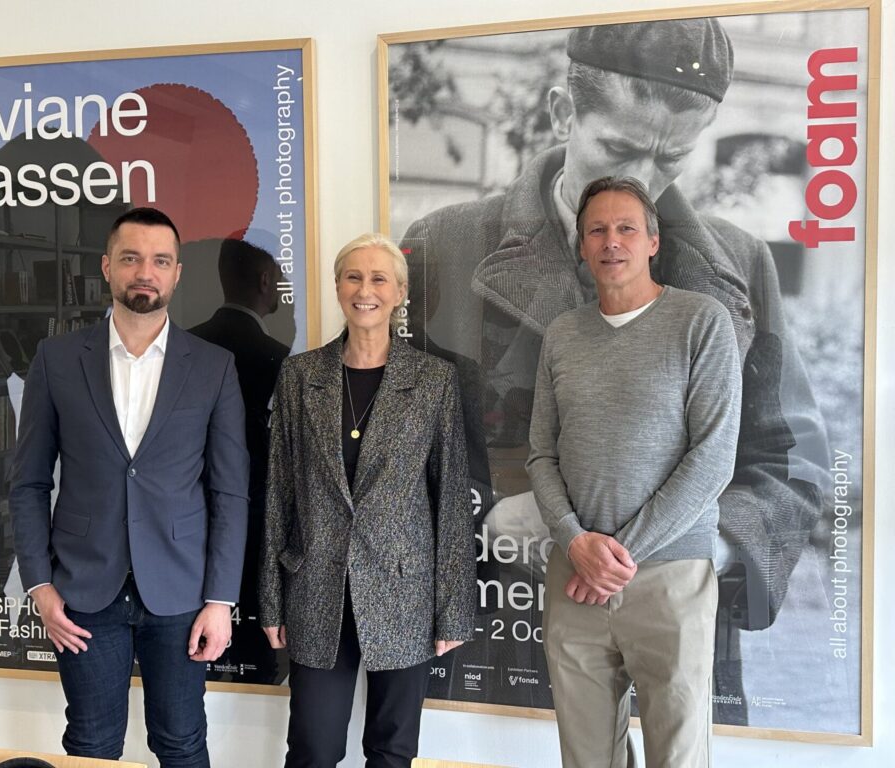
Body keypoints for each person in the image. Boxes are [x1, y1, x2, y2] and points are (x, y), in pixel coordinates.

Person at [400, 18, 829, 718]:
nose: (642, 184)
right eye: (621, 149)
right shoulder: (443, 244)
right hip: (498, 630)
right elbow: (399, 440)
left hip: (678, 621)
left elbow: (790, 459)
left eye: (672, 159)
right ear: (561, 112)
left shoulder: (742, 265)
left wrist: (706, 549)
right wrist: (488, 518)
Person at [9, 207, 249, 767]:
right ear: (107, 267)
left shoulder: (213, 367)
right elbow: (28, 482)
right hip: (84, 592)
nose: (146, 272)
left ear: (177, 273)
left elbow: (230, 492)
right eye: (131, 258)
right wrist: (39, 585)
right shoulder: (57, 360)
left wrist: (220, 601)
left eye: (160, 261)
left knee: (182, 743)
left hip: (181, 594)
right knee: (91, 746)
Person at [527, 176, 741, 766]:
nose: (611, 241)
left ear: (653, 240)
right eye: (597, 230)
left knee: (678, 755)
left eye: (626, 228)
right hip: (575, 577)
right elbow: (541, 455)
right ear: (581, 245)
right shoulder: (562, 335)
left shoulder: (701, 321)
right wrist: (576, 544)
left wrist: (616, 559)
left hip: (670, 576)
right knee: (586, 757)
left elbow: (713, 458)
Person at [259, 233, 476, 768]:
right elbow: (279, 492)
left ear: (400, 293)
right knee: (312, 749)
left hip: (405, 593)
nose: (365, 290)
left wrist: (452, 611)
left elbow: (450, 500)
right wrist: (271, 599)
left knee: (392, 751)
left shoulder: (433, 380)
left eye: (379, 279)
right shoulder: (300, 376)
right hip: (316, 589)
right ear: (337, 287)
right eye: (353, 277)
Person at [190, 238, 291, 683]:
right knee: (257, 656)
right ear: (266, 280)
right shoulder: (281, 360)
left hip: (186, 526)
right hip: (257, 523)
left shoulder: (183, 347)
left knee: (191, 657)